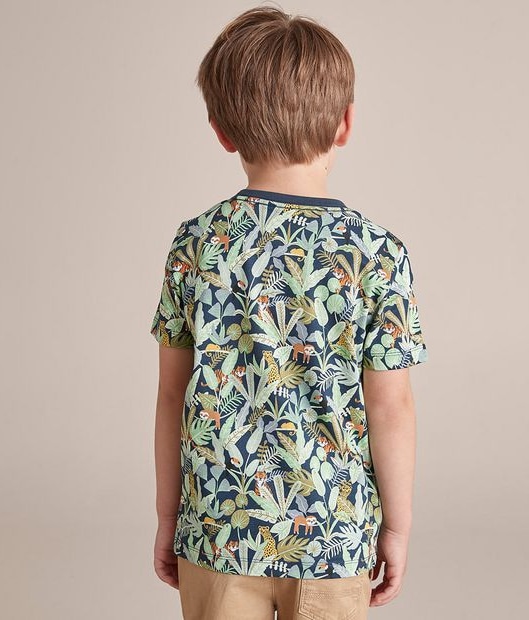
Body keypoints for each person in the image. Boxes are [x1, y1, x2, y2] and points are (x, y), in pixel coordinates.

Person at [150, 5, 429, 619]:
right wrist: (397, 527)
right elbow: (392, 405)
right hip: (334, 532)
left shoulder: (196, 244)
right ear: (346, 123)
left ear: (221, 131)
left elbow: (173, 395)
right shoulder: (378, 253)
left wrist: (170, 517)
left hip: (217, 530)